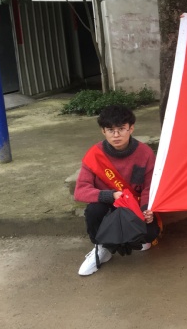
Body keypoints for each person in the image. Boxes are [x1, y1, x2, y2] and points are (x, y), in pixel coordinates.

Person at [74, 105, 159, 276]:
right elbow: (80, 191)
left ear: (131, 128)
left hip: (133, 206)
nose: (116, 135)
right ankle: (101, 247)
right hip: (109, 206)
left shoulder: (145, 153)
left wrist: (145, 210)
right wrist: (110, 195)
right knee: (93, 210)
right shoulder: (94, 155)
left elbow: (148, 188)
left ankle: (134, 239)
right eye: (110, 130)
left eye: (121, 129)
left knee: (150, 233)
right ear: (103, 131)